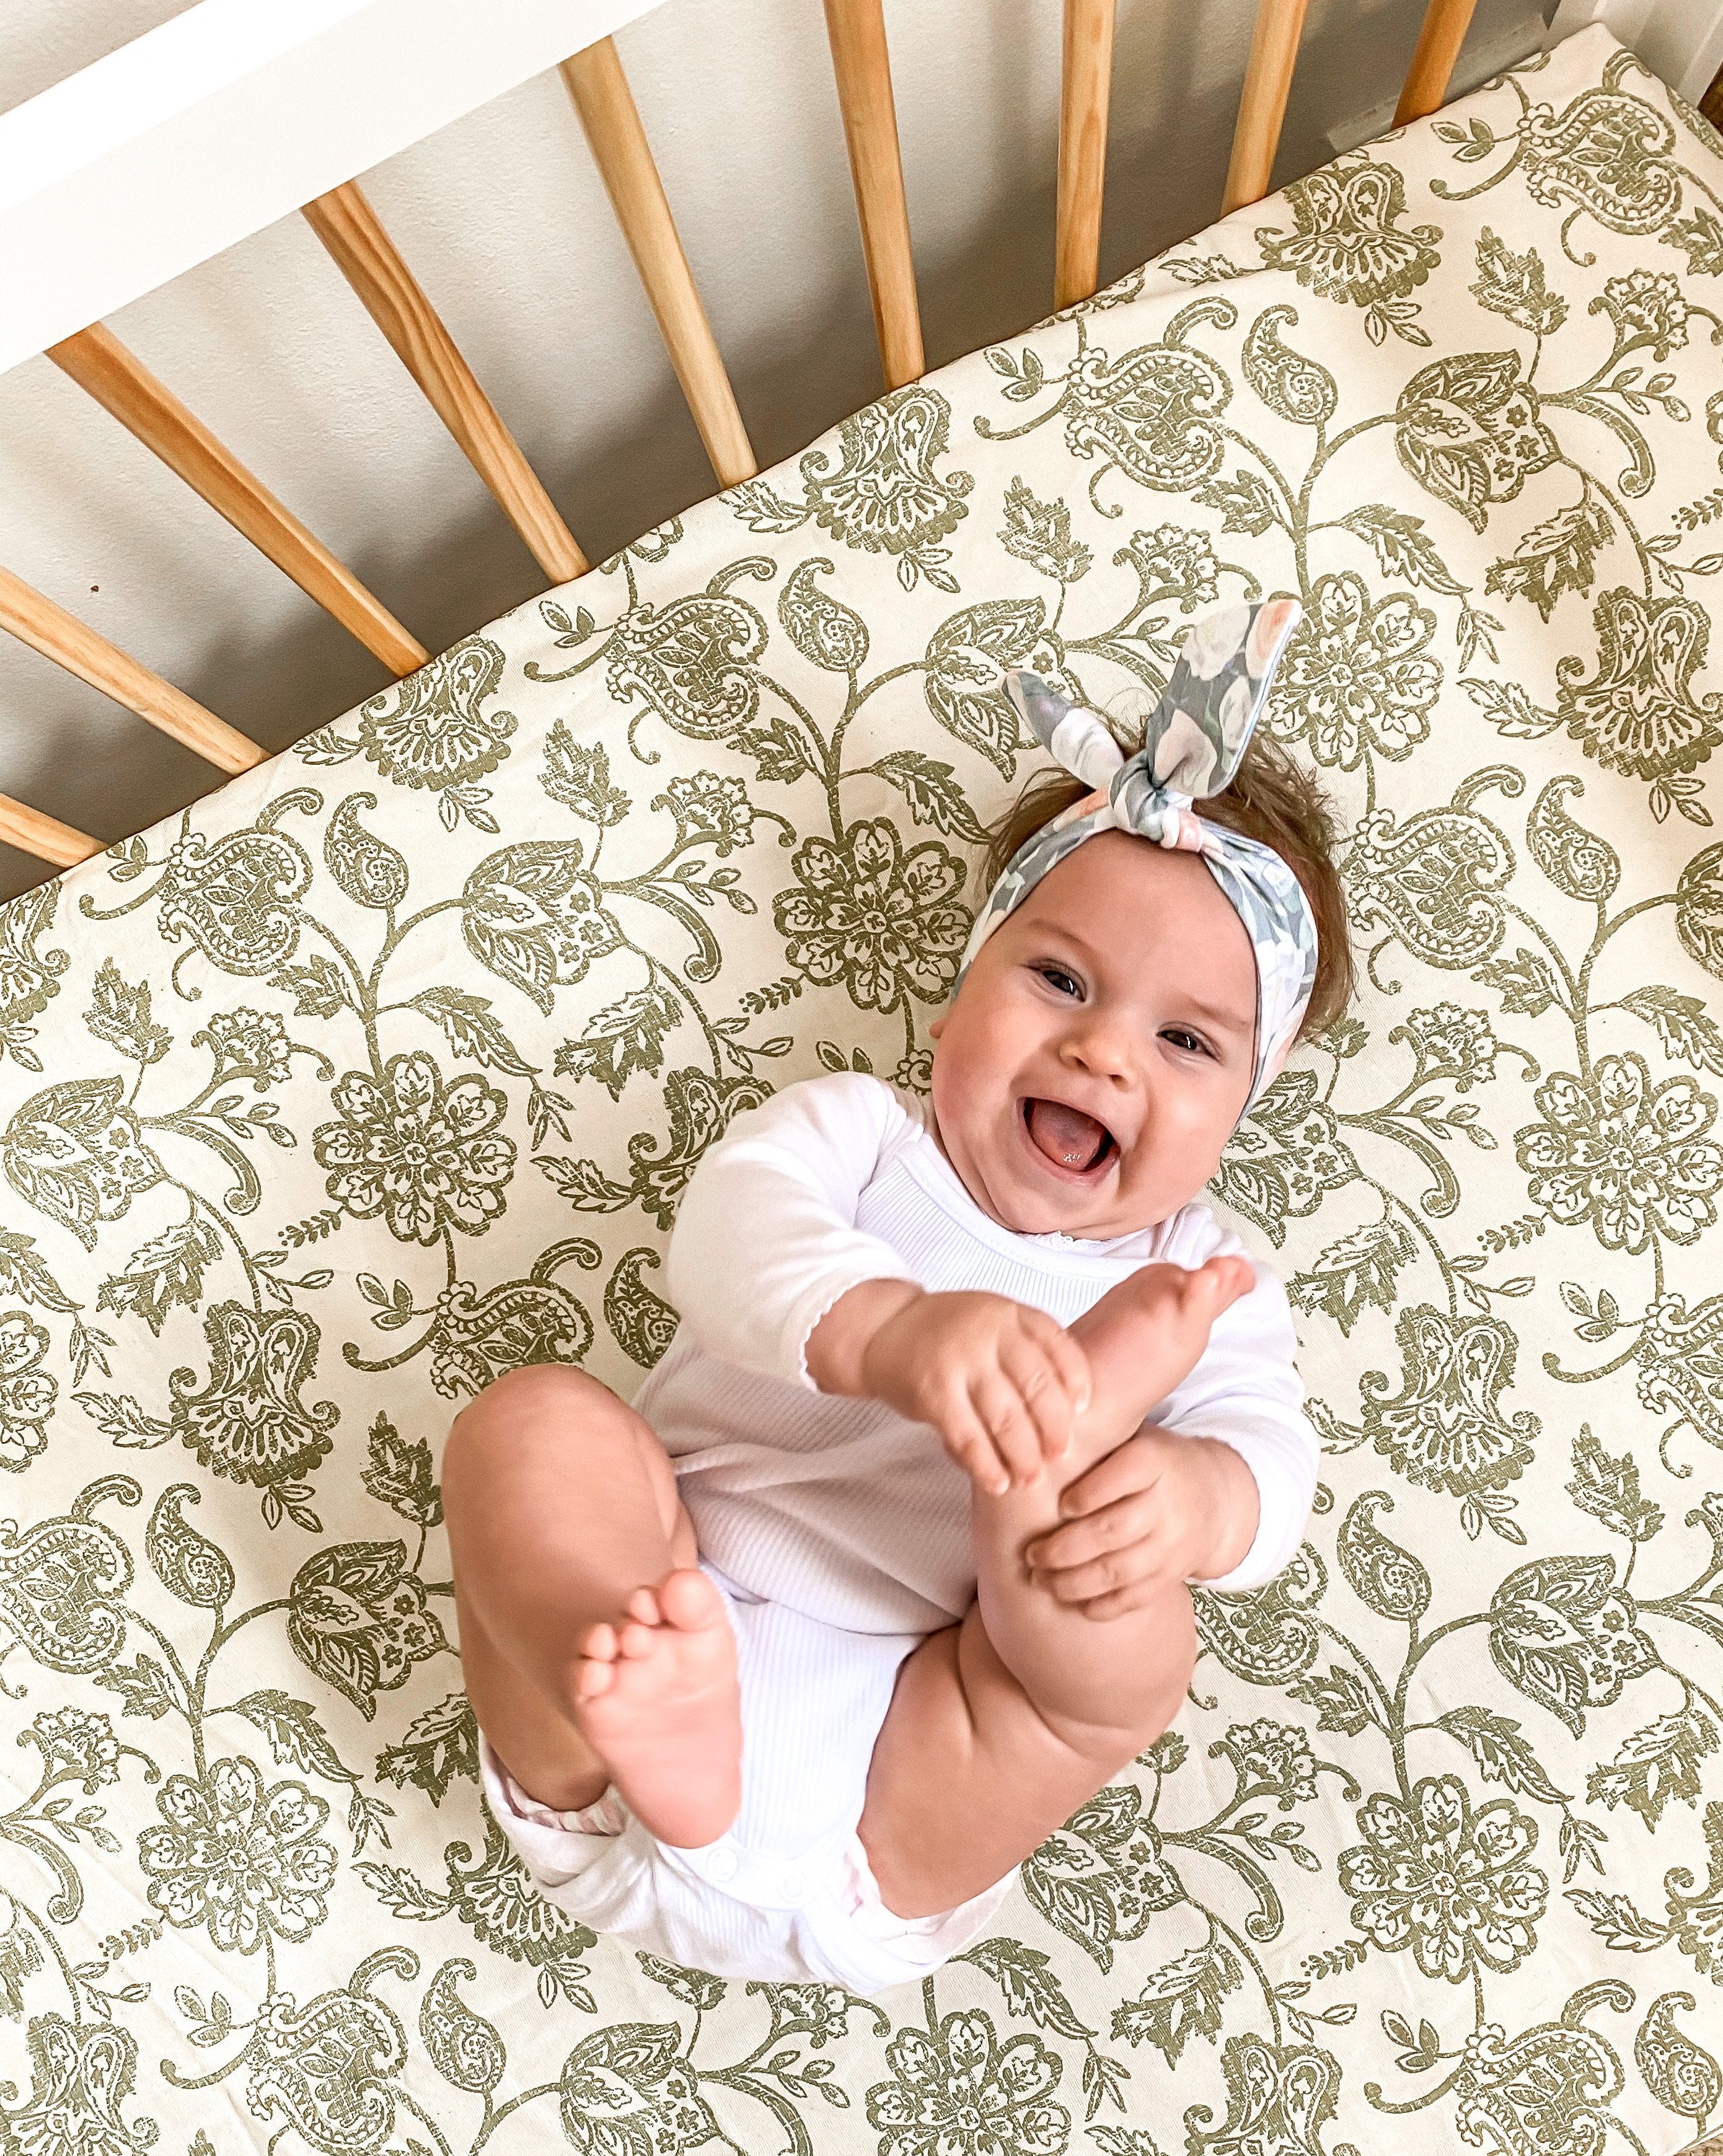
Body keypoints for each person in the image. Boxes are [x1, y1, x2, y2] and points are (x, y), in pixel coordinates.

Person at [443, 598, 1350, 1994]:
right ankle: (620, 1678)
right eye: (1057, 979)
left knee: (1127, 1649)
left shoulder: (1207, 1283)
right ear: (960, 991)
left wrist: (1196, 1498)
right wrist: (893, 1329)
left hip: (906, 1768)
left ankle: (1064, 1446)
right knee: (531, 1427)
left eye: (1183, 1039)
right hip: (660, 1622)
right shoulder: (861, 1137)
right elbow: (729, 1242)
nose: (1103, 1051)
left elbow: (1278, 1465)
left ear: (1245, 1105)